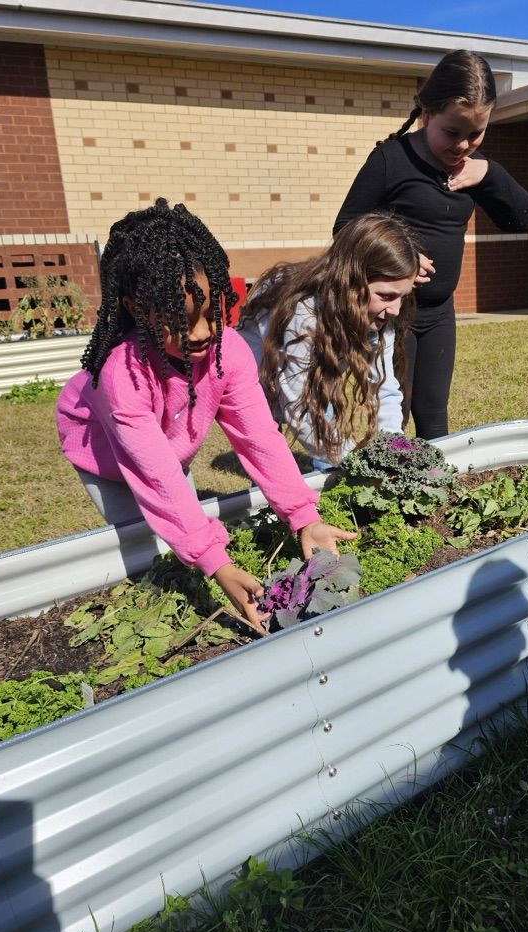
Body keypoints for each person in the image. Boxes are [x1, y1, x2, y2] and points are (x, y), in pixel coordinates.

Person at [56, 199, 355, 631]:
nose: (200, 333)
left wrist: (305, 518)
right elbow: (156, 478)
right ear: (137, 309)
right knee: (149, 550)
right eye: (180, 321)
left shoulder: (227, 351)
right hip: (105, 453)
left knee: (181, 523)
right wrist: (219, 565)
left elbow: (260, 439)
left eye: (210, 313)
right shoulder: (122, 376)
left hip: (171, 442)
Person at [333, 49, 528, 440]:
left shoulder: (474, 170)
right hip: (394, 314)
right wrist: (397, 256)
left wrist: (490, 173)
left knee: (434, 413)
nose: (462, 145)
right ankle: (387, 487)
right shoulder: (392, 159)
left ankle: (433, 491)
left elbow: (521, 219)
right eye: (452, 132)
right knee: (396, 409)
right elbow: (345, 228)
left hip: (440, 313)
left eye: (476, 134)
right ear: (426, 114)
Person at [236, 212, 421, 469]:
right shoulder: (302, 313)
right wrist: (357, 464)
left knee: (330, 455)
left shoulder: (379, 316)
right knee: (271, 463)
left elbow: (385, 388)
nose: (396, 310)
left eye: (403, 296)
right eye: (387, 296)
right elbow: (300, 405)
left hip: (311, 378)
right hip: (255, 381)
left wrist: (391, 450)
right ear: (352, 282)